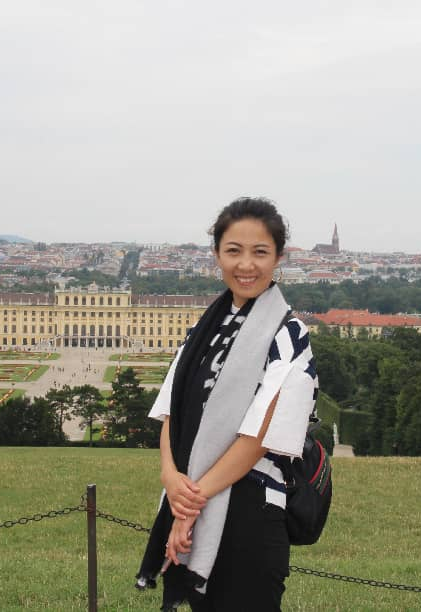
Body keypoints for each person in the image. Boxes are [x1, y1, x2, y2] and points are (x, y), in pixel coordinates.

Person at [137, 197, 319, 611]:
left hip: (251, 514)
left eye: (260, 252)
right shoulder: (204, 329)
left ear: (278, 258)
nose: (246, 265)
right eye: (234, 251)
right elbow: (173, 412)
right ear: (217, 255)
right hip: (193, 503)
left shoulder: (290, 335)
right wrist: (170, 477)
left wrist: (190, 500)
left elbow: (259, 437)